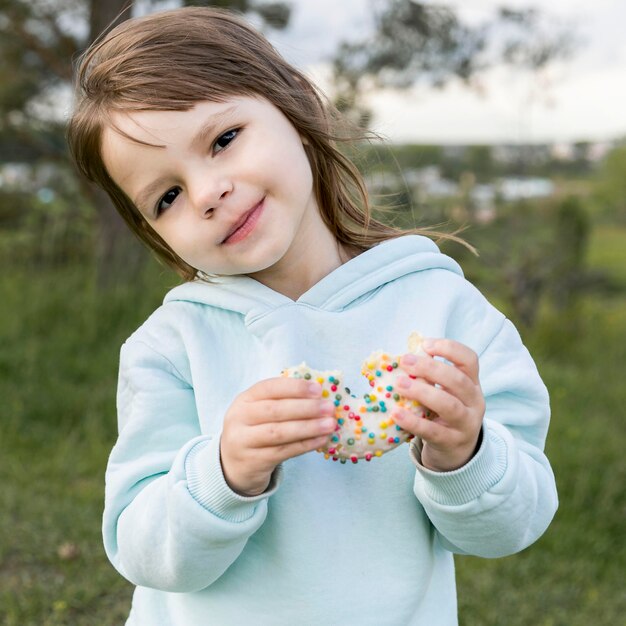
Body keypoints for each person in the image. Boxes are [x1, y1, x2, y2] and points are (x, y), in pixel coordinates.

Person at [67, 6, 558, 625]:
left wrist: (466, 453)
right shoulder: (171, 347)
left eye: (223, 140)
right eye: (167, 197)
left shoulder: (443, 309)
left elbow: (513, 527)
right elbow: (142, 552)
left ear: (295, 105)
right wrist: (221, 475)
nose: (206, 194)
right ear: (154, 232)